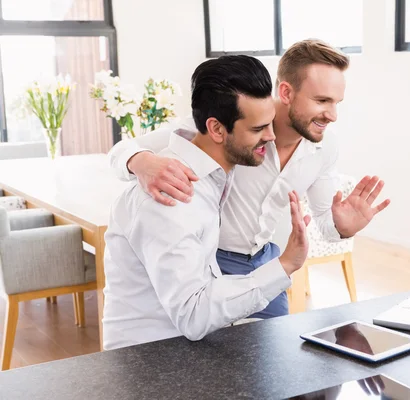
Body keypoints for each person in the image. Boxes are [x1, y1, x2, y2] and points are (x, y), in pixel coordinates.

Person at [108, 39, 390, 319]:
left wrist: (343, 227)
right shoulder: (230, 124)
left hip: (266, 260)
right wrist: (142, 162)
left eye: (337, 102)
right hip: (213, 259)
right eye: (322, 101)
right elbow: (121, 150)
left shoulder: (325, 148)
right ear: (286, 92)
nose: (333, 115)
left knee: (276, 351)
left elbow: (326, 226)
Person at [102, 55, 310, 350]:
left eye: (270, 123)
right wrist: (286, 264)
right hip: (150, 364)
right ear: (216, 129)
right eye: (257, 129)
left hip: (183, 348)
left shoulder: (207, 168)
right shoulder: (173, 195)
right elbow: (194, 315)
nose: (271, 136)